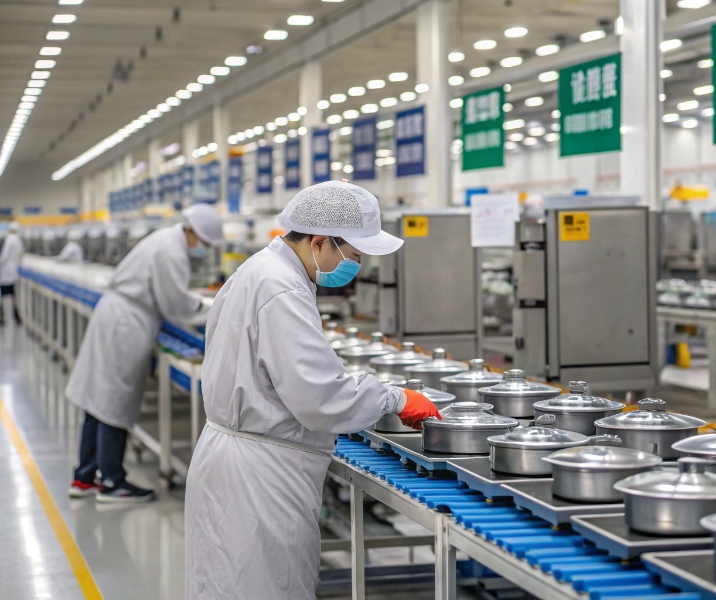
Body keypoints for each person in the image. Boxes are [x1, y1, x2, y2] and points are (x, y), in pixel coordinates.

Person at [184, 181, 441, 600]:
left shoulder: (258, 271)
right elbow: (322, 399)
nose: (355, 266)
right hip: (261, 475)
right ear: (320, 242)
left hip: (235, 458)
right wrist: (395, 398)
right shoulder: (280, 288)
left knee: (226, 584)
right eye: (353, 256)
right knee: (265, 587)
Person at [67, 204, 224, 503]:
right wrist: (213, 309)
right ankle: (112, 482)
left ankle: (84, 477)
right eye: (204, 243)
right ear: (193, 232)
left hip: (115, 315)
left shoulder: (164, 239)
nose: (202, 250)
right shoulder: (172, 251)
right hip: (127, 323)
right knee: (114, 401)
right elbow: (175, 306)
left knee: (96, 401)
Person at [0, 222, 24, 326]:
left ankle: (3, 316)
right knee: (13, 294)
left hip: (5, 271)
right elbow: (21, 254)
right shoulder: (18, 239)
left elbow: (4, 257)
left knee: (3, 295)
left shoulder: (9, 239)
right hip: (14, 271)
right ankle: (16, 316)